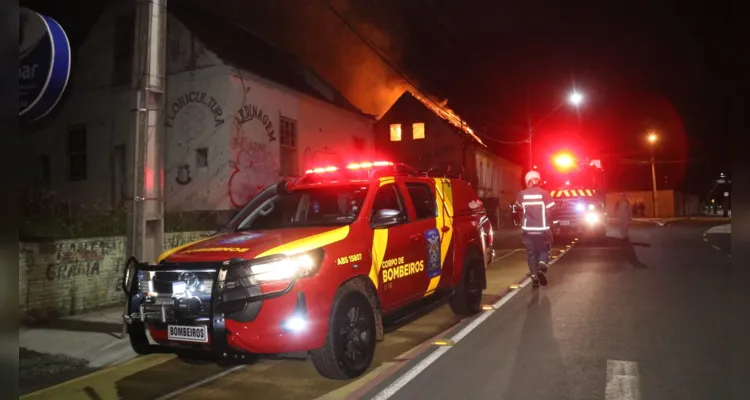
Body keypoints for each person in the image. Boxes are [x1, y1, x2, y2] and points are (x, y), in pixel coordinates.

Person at [515, 170, 555, 288]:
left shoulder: (521, 194)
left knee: (531, 254)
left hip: (527, 230)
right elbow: (552, 209)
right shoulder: (545, 193)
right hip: (542, 229)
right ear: (539, 180)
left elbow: (518, 209)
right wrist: (546, 218)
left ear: (527, 181)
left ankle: (534, 277)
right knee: (544, 250)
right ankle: (542, 265)